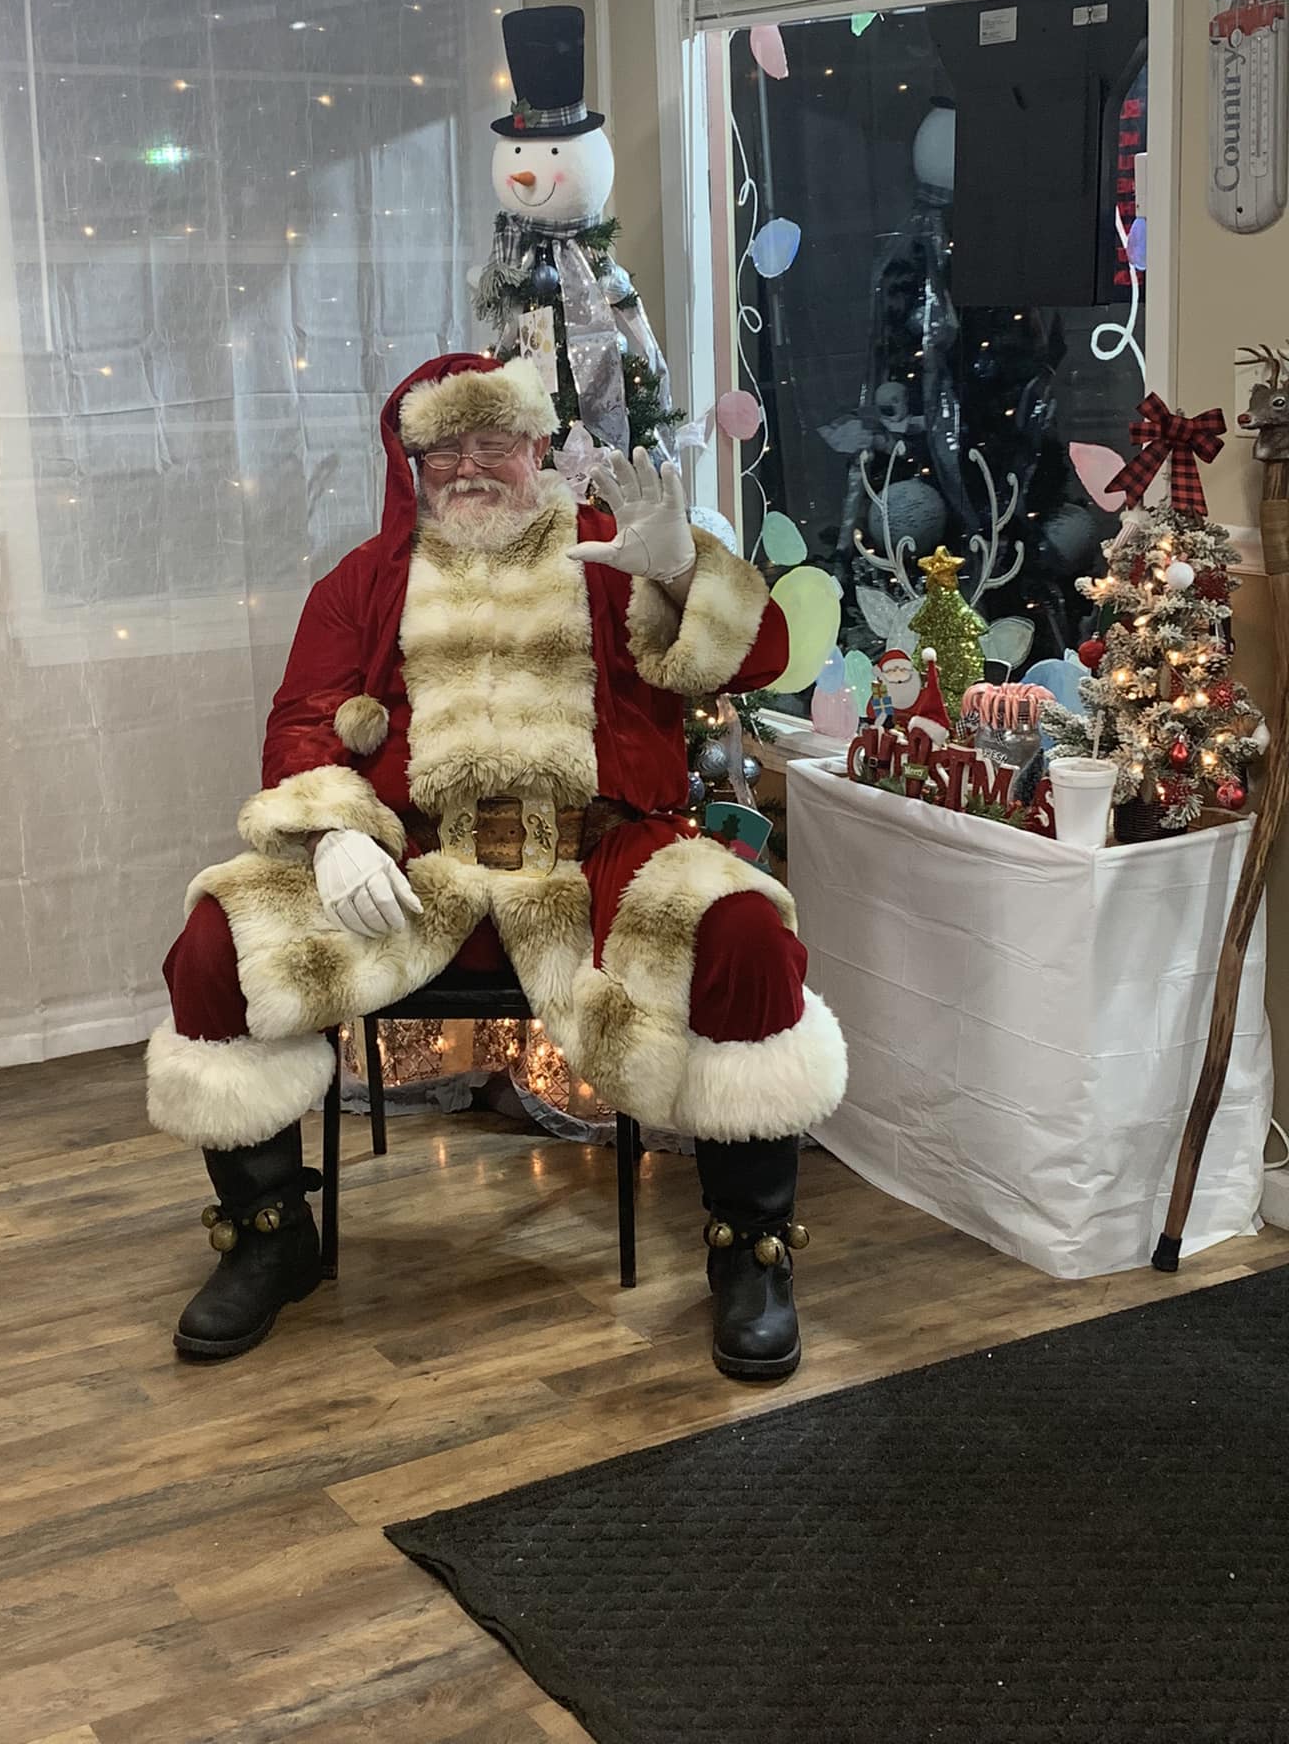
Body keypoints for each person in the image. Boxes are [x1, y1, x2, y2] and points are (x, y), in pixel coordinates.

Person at [147, 353, 846, 1379]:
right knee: (216, 943)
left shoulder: (609, 549)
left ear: (536, 448)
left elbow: (764, 655)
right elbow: (302, 720)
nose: (469, 467)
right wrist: (334, 830)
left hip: (596, 855)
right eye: (444, 450)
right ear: (414, 463)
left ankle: (752, 1250)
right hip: (419, 865)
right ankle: (269, 1234)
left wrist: (680, 572)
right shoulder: (364, 582)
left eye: (493, 443)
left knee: (744, 935)